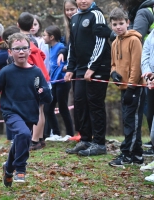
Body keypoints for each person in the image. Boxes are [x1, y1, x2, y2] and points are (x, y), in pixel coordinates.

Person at [0, 33, 52, 186]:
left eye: (24, 48)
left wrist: (43, 92)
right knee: (24, 134)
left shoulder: (36, 73)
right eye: (17, 48)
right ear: (10, 52)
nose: (21, 51)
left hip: (29, 113)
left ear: (29, 50)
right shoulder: (7, 72)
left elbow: (45, 93)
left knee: (21, 139)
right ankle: (20, 168)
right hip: (11, 111)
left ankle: (8, 169)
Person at [64, 0, 111, 156]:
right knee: (80, 103)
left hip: (97, 68)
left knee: (95, 104)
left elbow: (101, 42)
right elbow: (72, 45)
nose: (83, 1)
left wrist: (92, 67)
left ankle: (99, 143)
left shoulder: (96, 15)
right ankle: (85, 139)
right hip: (80, 69)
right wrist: (70, 68)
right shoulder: (75, 17)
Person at [107, 7, 145, 166]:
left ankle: (127, 154)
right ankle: (137, 155)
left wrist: (131, 87)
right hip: (123, 88)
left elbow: (136, 66)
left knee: (132, 122)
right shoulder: (115, 42)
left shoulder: (134, 40)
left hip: (134, 88)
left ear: (128, 23)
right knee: (127, 121)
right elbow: (113, 64)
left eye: (121, 23)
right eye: (115, 24)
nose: (118, 27)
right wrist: (113, 73)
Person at [117, 0, 154, 152]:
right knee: (150, 112)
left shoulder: (142, 12)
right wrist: (147, 70)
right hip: (148, 72)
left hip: (137, 73)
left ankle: (135, 148)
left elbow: (136, 37)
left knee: (142, 110)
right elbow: (146, 49)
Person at [17, 12, 50, 151]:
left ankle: (34, 140)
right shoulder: (35, 41)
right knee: (40, 110)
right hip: (43, 77)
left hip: (33, 80)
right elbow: (42, 56)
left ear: (17, 25)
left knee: (35, 110)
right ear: (32, 26)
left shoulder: (20, 41)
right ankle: (40, 138)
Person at [43, 25, 74, 141]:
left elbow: (68, 59)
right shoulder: (51, 48)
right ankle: (55, 133)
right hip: (54, 82)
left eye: (44, 35)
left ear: (51, 37)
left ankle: (70, 134)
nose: (43, 37)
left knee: (62, 107)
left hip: (62, 81)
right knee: (48, 107)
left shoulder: (61, 47)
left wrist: (66, 68)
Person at [140, 29, 154, 177]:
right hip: (151, 82)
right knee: (150, 117)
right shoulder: (152, 34)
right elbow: (146, 54)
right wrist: (148, 73)